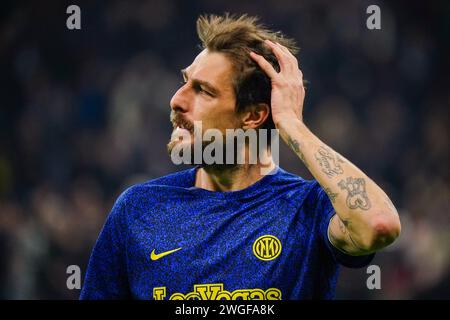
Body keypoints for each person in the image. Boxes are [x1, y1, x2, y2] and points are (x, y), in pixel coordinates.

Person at [80, 13, 401, 300]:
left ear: (253, 116)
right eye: (184, 82)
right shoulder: (139, 208)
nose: (176, 100)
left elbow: (378, 224)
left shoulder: (306, 209)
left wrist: (291, 124)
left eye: (203, 91)